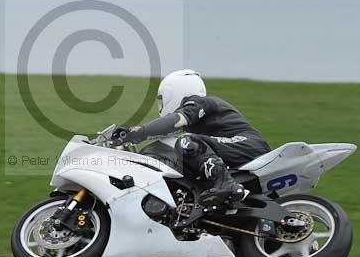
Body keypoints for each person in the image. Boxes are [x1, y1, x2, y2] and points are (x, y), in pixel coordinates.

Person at [114, 69, 271, 207]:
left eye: (162, 99)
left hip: (248, 144)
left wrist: (137, 132)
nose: (161, 105)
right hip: (236, 150)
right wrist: (127, 141)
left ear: (176, 91)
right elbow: (162, 133)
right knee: (182, 146)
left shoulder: (200, 102)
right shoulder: (195, 118)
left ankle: (226, 184)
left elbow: (175, 121)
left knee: (186, 141)